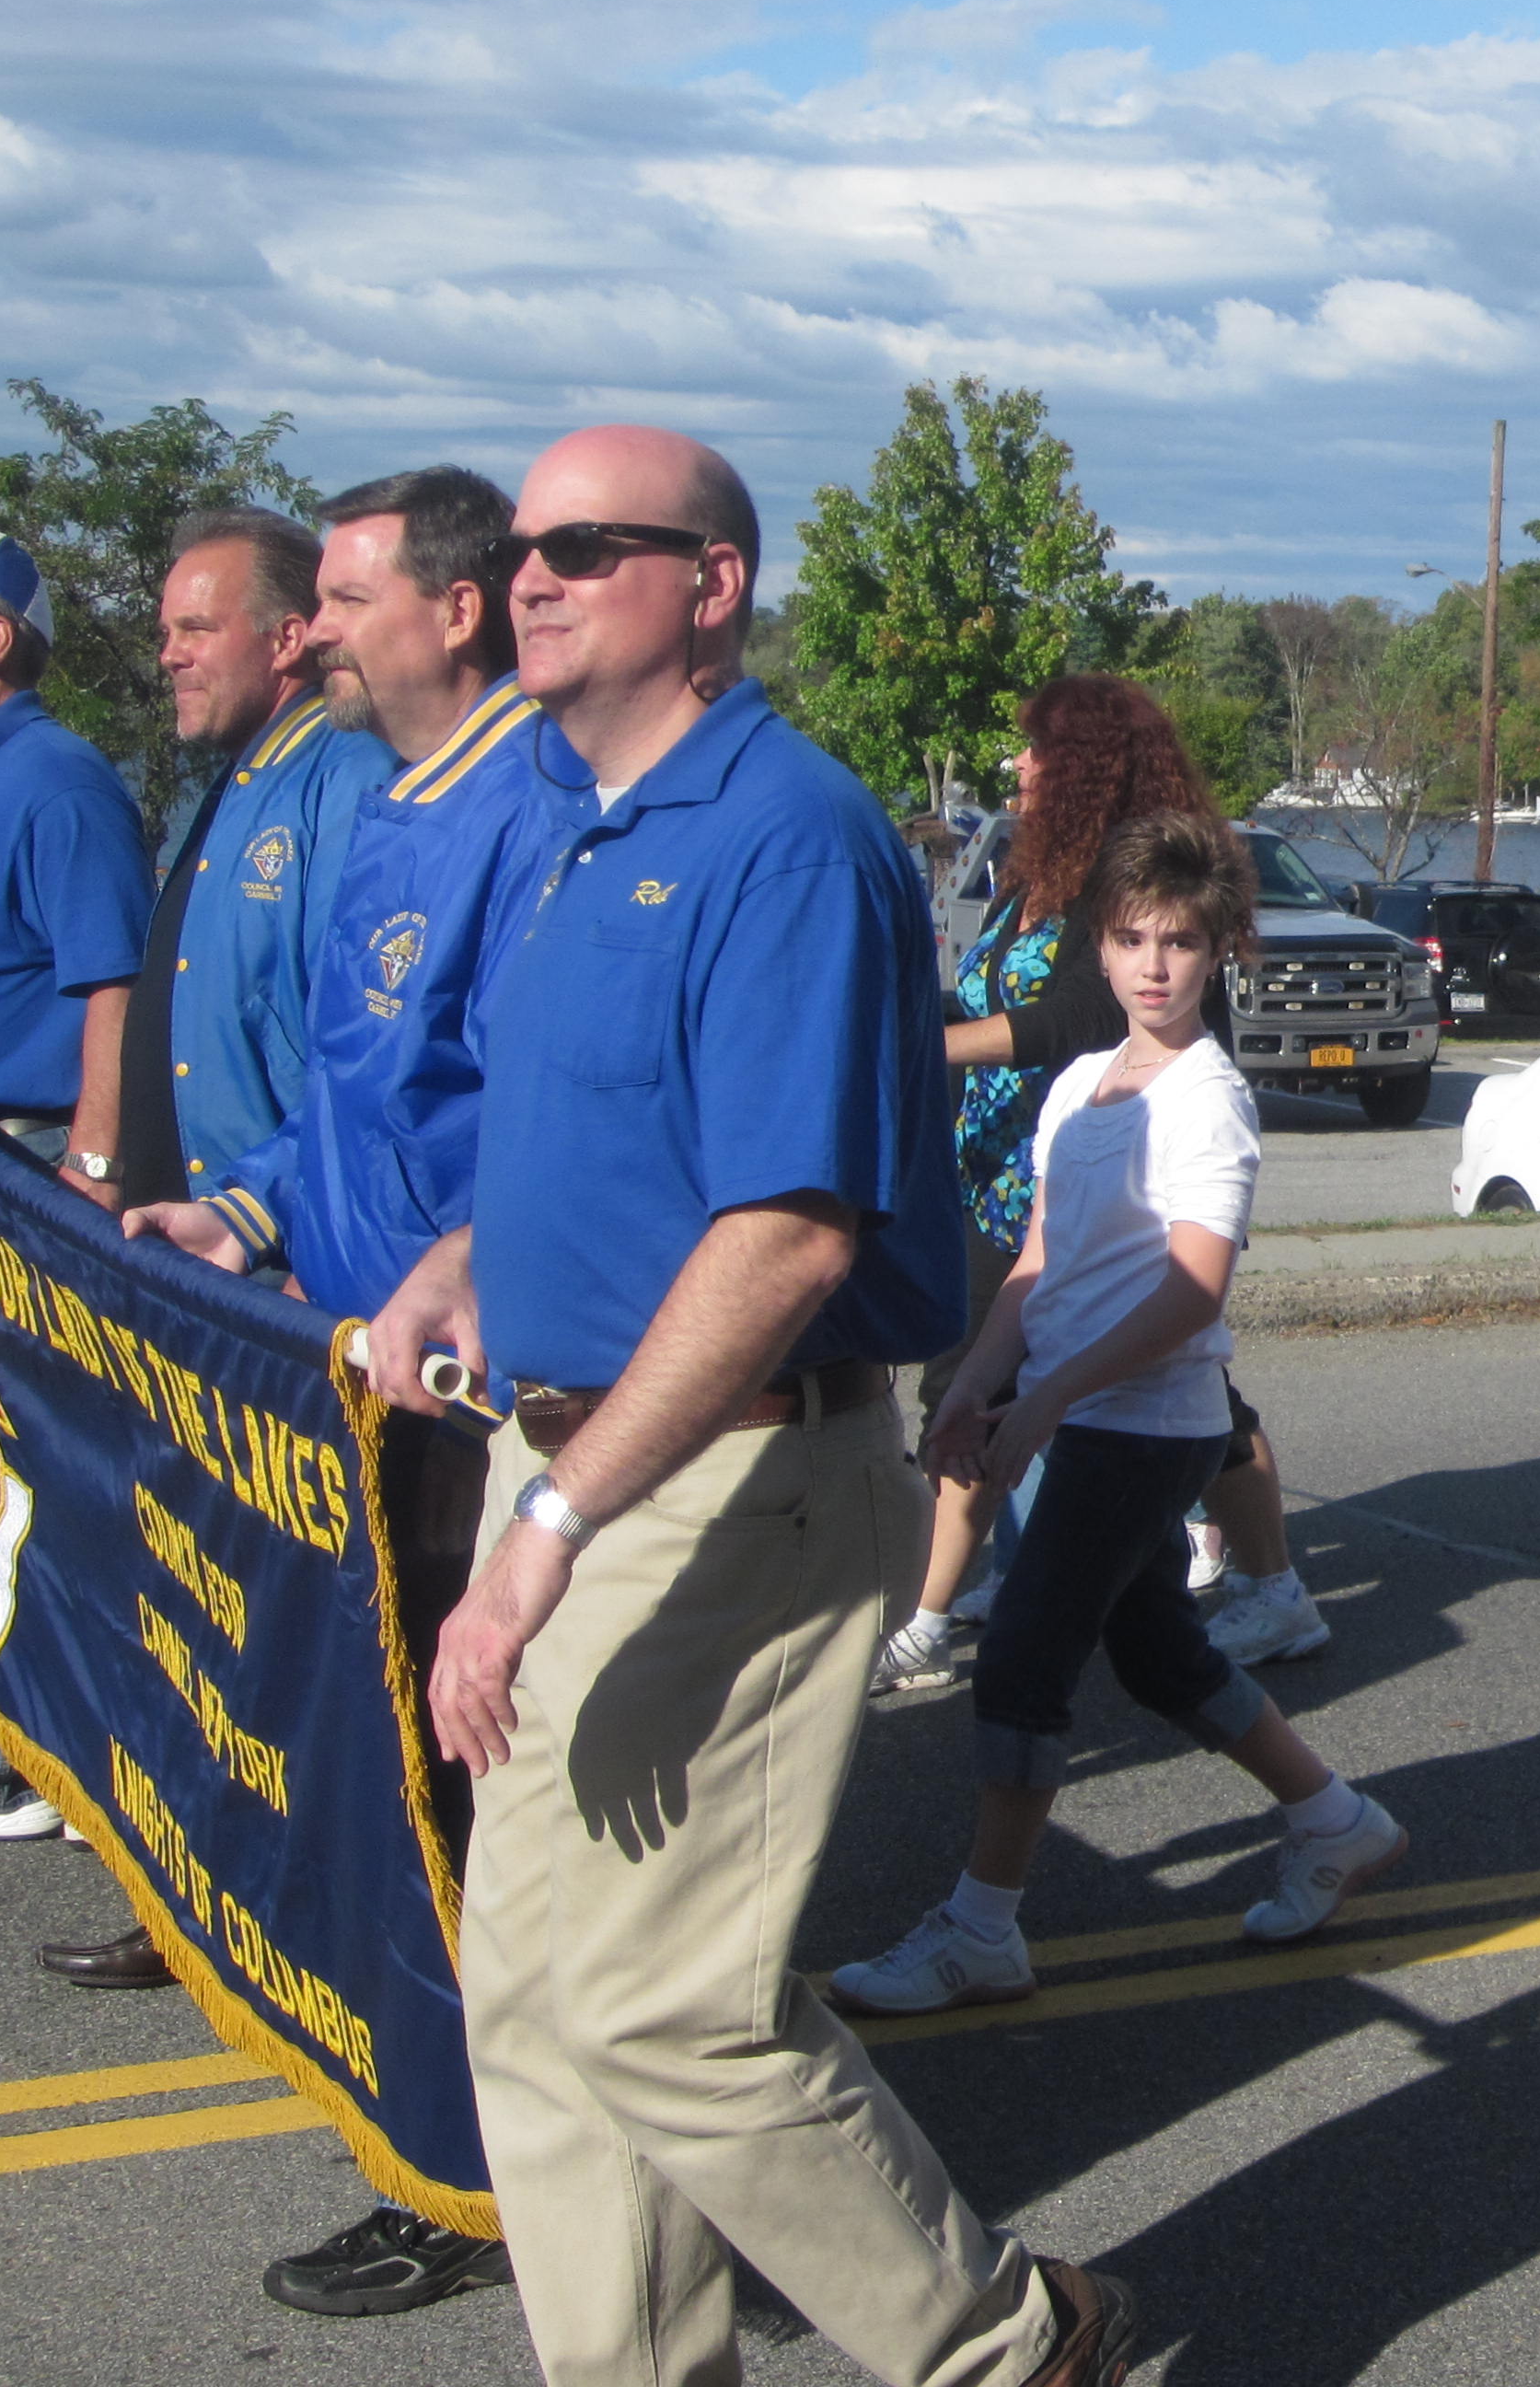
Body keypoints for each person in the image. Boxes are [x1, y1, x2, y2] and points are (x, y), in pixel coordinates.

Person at [365, 424, 1134, 2387]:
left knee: (670, 2014)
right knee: (530, 1996)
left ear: (709, 586)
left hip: (727, 1481)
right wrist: (462, 1258)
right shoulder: (580, 814)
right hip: (574, 1461)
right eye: (521, 549)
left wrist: (550, 1531)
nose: (530, 579)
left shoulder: (787, 835)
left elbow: (788, 1234)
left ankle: (1007, 2345)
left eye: (583, 548)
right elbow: (611, 1134)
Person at [123, 466, 531, 2316]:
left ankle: (476, 2176)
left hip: (465, 1399)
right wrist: (242, 1211)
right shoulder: (398, 803)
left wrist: (450, 1283)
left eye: (345, 602)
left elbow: (542, 1131)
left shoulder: (526, 812)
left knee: (457, 1806)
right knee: (387, 1778)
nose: (315, 636)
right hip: (356, 1372)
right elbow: (350, 1106)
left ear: (453, 609)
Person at [831, 811, 1405, 2020]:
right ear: (1100, 945)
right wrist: (979, 1381)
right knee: (1154, 1650)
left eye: (1180, 943)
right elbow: (1039, 1262)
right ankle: (1335, 1820)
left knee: (1024, 1655)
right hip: (1080, 1413)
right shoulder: (1081, 1088)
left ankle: (981, 1929)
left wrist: (1046, 1399)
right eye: (1134, 939)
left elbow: (1191, 1294)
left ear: (1220, 951)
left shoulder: (1209, 1101)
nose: (1154, 966)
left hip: (1150, 1424)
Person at [34, 506, 394, 1989]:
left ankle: (310, 1921)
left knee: (291, 1626)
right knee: (196, 1600)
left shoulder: (344, 786)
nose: (169, 656)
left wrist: (285, 1225)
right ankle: (202, 1894)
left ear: (288, 636)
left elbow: (353, 1055)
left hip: (287, 1282)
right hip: (198, 1262)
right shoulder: (223, 784)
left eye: (196, 628)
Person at [880, 675, 1325, 1691]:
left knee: (1190, 1402)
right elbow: (989, 995)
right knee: (975, 1377)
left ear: (1084, 763)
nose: (1019, 764)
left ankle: (1269, 1589)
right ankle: (986, 1589)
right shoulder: (1034, 872)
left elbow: (1072, 1019)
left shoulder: (1126, 888)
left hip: (1120, 1162)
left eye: (1037, 748)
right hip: (1010, 1165)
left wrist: (920, 1050)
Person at [0, 531, 153, 1846]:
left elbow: (116, 983)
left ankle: (32, 1761)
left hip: (34, 1159)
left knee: (32, 1460)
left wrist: (92, 1170)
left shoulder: (53, 780)